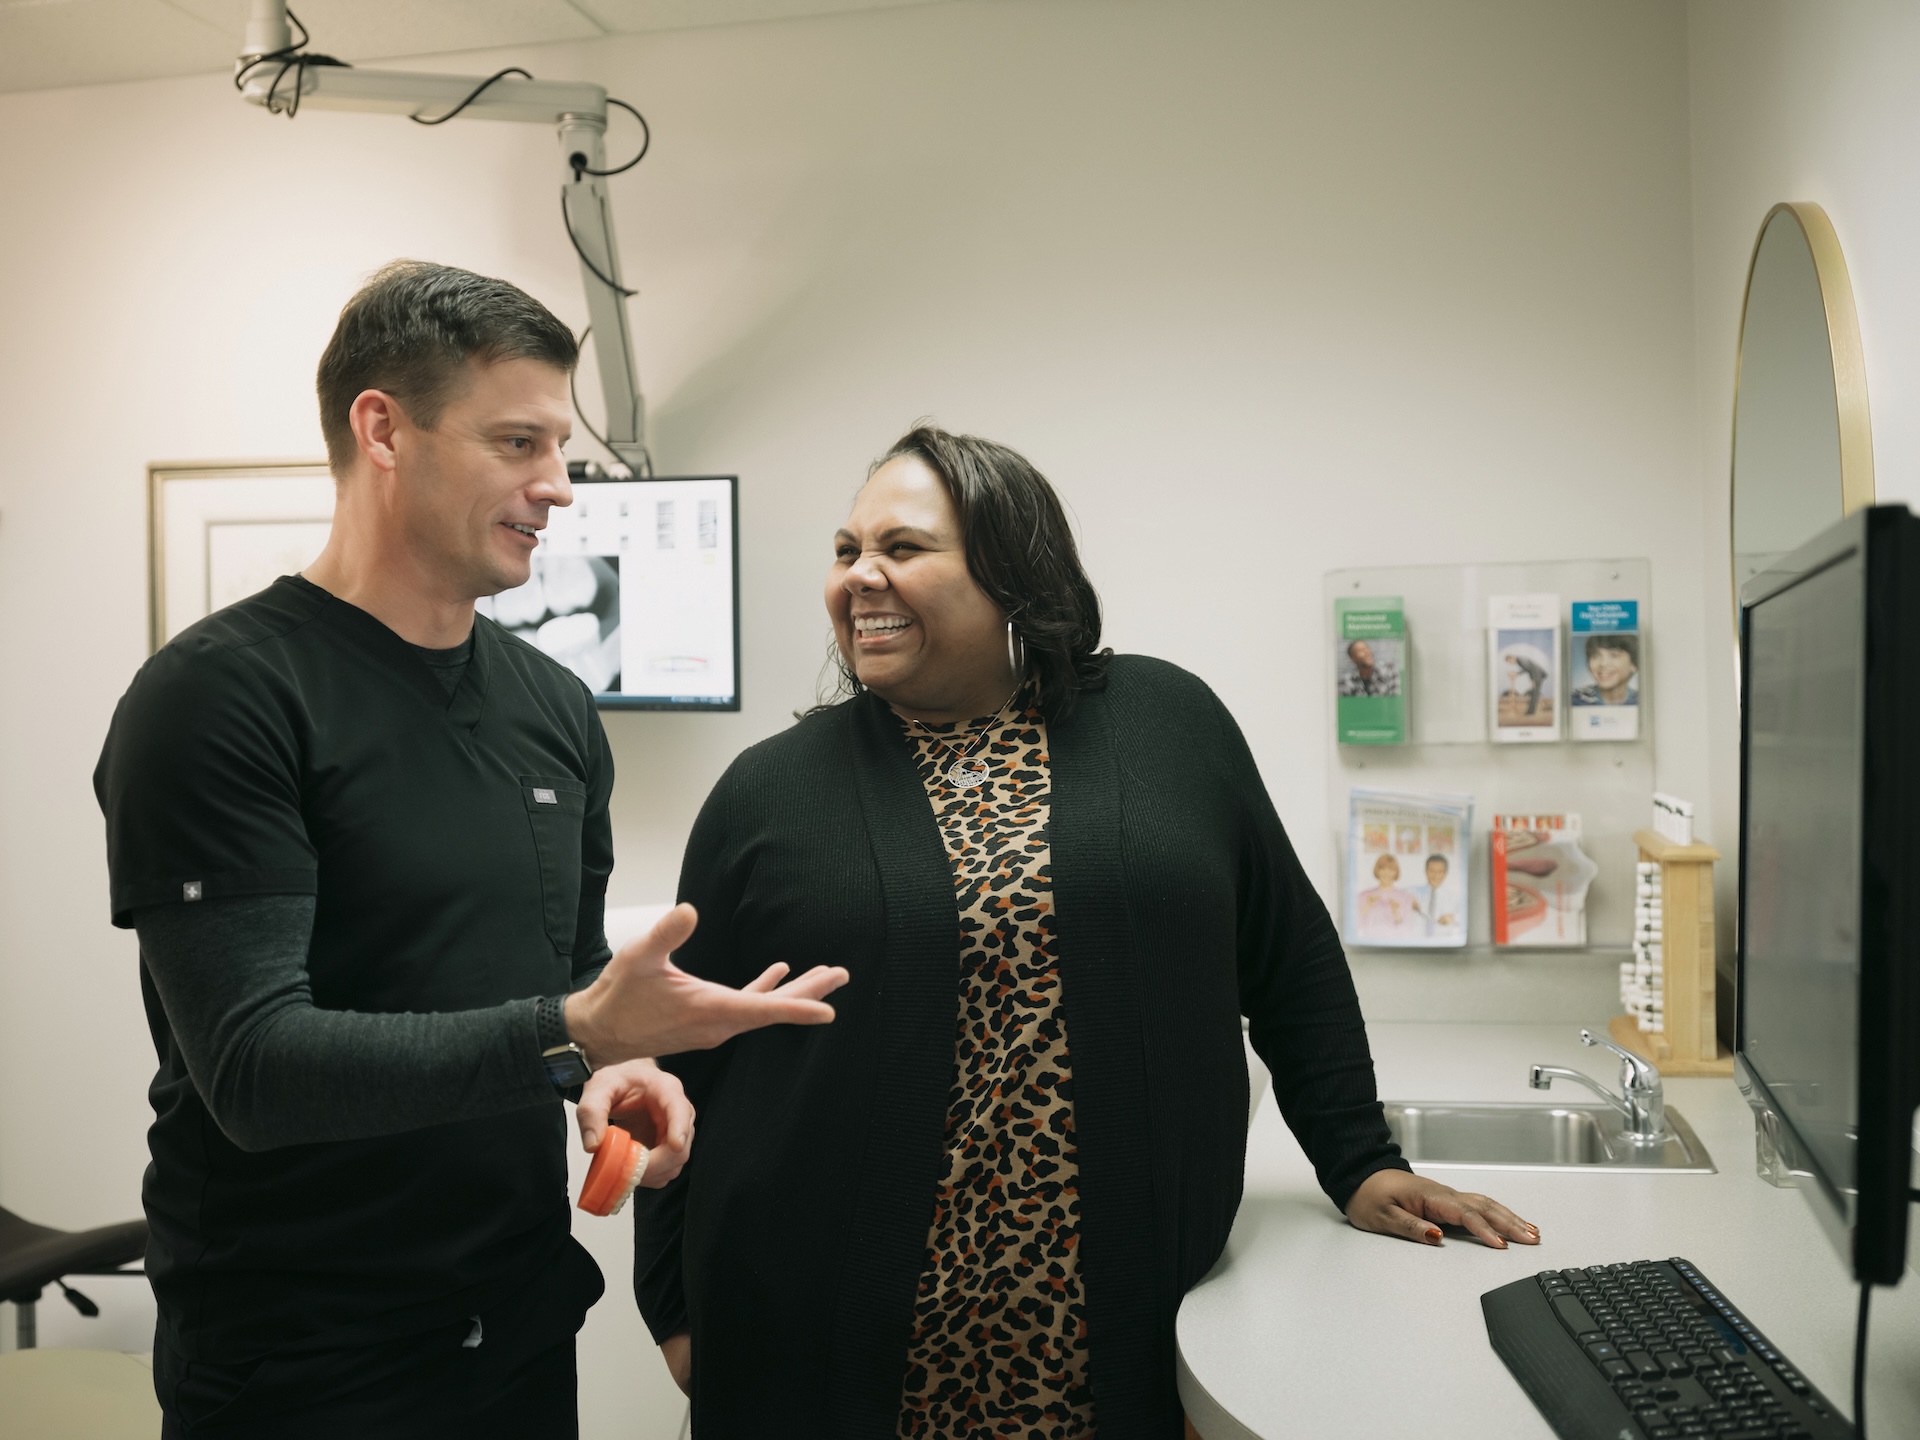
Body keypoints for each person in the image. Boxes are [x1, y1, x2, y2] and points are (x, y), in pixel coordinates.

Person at [631, 425, 1537, 1439]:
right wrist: (669, 1305)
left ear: (1016, 571)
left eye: (904, 547)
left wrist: (1360, 1160)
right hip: (823, 1339)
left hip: (1104, 1332)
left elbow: (1288, 958)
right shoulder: (768, 791)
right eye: (847, 552)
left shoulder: (1169, 725)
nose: (862, 578)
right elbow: (674, 1056)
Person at [93, 261, 848, 1439]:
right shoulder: (221, 698)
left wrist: (602, 1075)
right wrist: (577, 1030)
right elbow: (253, 1072)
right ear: (383, 428)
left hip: (516, 1334)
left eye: (559, 446)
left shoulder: (551, 706)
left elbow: (540, 1002)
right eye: (516, 443)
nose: (557, 486)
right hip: (302, 1364)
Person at [1571, 632, 1639, 706]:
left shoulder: (1643, 700)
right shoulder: (1574, 699)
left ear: (1633, 664)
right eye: (1595, 655)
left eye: (1614, 655)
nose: (1603, 663)